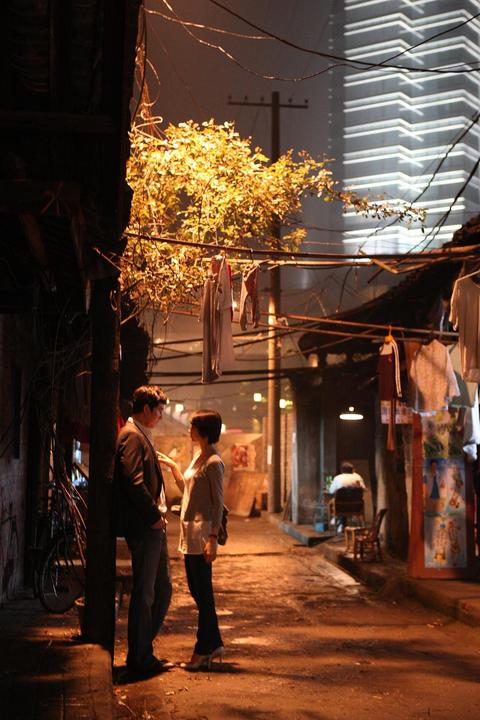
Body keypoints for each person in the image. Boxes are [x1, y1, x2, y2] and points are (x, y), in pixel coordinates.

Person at [157, 409, 224, 671]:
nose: (189, 429)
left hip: (202, 533)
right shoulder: (199, 456)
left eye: (193, 425)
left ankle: (203, 648)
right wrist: (173, 467)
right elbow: (189, 492)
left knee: (203, 593)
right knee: (198, 592)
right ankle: (214, 642)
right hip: (189, 533)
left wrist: (213, 538)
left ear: (203, 430)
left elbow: (217, 503)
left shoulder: (214, 462)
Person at [113, 385, 173, 677]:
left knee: (162, 588)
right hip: (146, 526)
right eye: (159, 410)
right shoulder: (132, 436)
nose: (161, 415)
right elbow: (133, 481)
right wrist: (152, 517)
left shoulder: (140, 434)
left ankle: (142, 648)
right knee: (146, 592)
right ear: (146, 408)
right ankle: (139, 656)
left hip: (154, 525)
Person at [328, 461, 366, 531]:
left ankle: (335, 518)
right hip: (356, 507)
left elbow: (331, 491)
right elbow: (363, 488)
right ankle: (340, 522)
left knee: (333, 502)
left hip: (340, 507)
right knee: (345, 500)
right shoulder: (358, 477)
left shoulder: (337, 478)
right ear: (352, 470)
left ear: (341, 470)